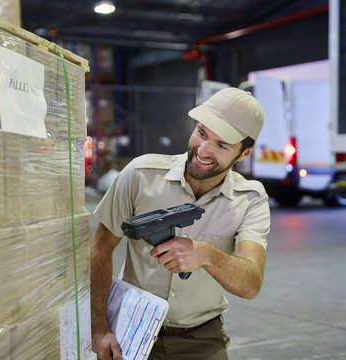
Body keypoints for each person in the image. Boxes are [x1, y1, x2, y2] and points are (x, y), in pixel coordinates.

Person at [90, 87, 270, 360]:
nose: (204, 150)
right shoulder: (140, 175)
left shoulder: (250, 199)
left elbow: (250, 284)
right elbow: (100, 251)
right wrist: (99, 328)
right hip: (130, 330)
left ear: (244, 153)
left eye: (222, 145)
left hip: (201, 339)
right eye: (202, 133)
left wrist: (205, 254)